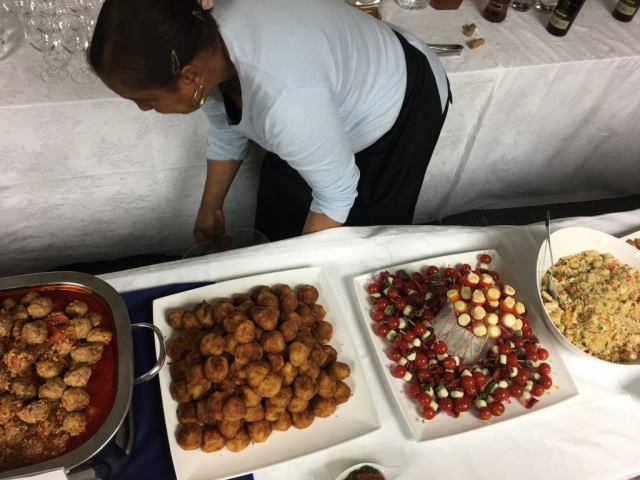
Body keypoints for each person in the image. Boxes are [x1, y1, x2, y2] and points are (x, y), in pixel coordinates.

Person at [89, 0, 451, 244]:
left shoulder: (285, 100)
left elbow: (338, 192)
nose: (143, 109)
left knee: (362, 244)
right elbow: (228, 128)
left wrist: (299, 283)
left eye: (144, 99)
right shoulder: (203, 45)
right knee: (280, 218)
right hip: (325, 86)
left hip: (399, 99)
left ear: (189, 78)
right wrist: (210, 207)